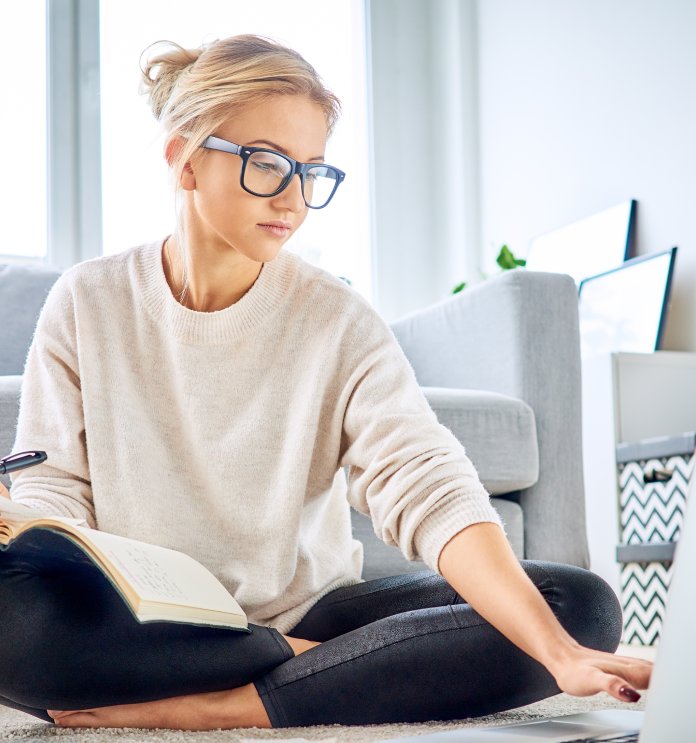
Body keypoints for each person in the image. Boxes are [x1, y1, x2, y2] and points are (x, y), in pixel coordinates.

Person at [0, 34, 652, 730]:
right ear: (185, 160)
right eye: (266, 163)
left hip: (306, 610)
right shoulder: (87, 300)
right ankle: (328, 669)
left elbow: (423, 478)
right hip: (141, 619)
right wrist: (26, 532)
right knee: (17, 621)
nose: (293, 198)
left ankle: (228, 702)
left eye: (310, 171)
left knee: (577, 609)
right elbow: (54, 490)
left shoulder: (335, 316)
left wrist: (555, 650)